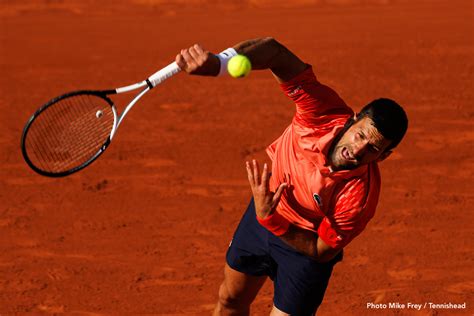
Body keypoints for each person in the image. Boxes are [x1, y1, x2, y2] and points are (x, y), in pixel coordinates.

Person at [175, 37, 408, 316]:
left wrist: (270, 218)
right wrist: (219, 64)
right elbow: (275, 52)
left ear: (383, 156)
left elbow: (322, 251)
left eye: (373, 148)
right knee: (230, 300)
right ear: (353, 119)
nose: (357, 150)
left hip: (303, 247)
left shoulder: (359, 197)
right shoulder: (321, 110)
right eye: (360, 135)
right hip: (263, 215)